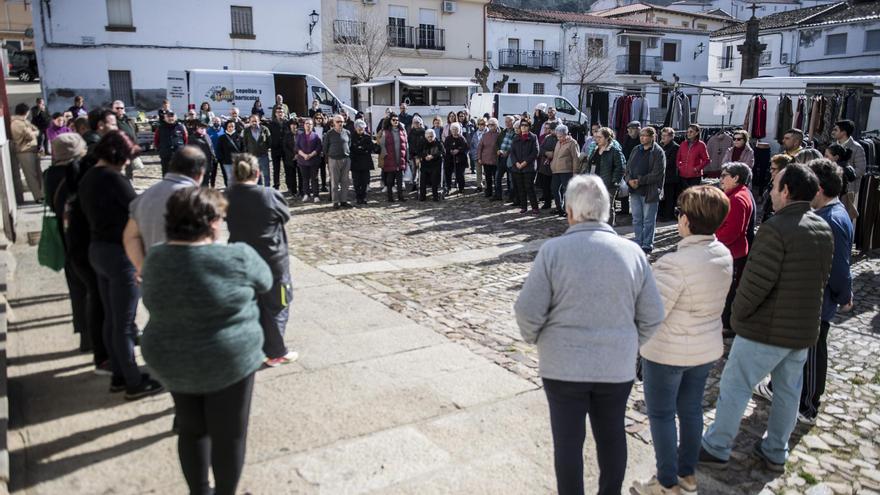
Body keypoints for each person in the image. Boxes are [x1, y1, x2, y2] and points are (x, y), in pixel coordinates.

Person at [515, 174, 664, 495]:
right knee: (612, 436)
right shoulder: (633, 253)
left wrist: (537, 339)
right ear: (606, 211)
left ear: (570, 211)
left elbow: (527, 312)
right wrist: (629, 343)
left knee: (568, 443)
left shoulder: (553, 252)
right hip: (615, 366)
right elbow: (653, 316)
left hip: (563, 366)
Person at [700, 164, 833, 472]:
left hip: (767, 329)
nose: (771, 193)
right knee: (788, 391)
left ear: (786, 191)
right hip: (801, 329)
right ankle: (776, 450)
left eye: (774, 187)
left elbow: (755, 283)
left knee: (735, 384)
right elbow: (821, 278)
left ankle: (717, 446)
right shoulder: (821, 227)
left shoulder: (777, 228)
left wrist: (736, 316)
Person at [140, 187, 270, 495]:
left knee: (191, 428)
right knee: (230, 435)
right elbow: (265, 281)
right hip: (228, 357)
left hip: (171, 357)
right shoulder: (235, 255)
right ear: (211, 222)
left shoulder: (156, 257)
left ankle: (200, 492)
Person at [632, 185, 733, 495]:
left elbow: (652, 312)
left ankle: (665, 482)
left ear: (688, 220)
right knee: (690, 411)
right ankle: (686, 475)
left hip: (668, 352)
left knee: (662, 415)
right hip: (703, 349)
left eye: (679, 214)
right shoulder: (722, 253)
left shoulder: (676, 263)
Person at [753, 159, 854, 426]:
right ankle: (777, 388)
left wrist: (845, 295)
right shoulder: (823, 215)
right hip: (801, 300)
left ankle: (808, 406)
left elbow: (839, 268)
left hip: (817, 304)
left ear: (818, 189)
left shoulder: (832, 219)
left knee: (811, 353)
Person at [78, 131, 164, 400]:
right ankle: (133, 380)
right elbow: (137, 210)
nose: (128, 162)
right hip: (119, 254)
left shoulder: (89, 176)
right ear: (117, 155)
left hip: (97, 249)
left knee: (112, 318)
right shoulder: (115, 180)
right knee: (125, 323)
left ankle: (117, 374)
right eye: (127, 157)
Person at [226, 154, 298, 367]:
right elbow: (285, 216)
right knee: (278, 304)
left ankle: (253, 346)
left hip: (241, 258)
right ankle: (276, 351)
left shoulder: (228, 195)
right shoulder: (269, 194)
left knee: (251, 303)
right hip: (272, 258)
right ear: (258, 173)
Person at [124, 146, 206, 283]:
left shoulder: (143, 197)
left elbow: (130, 237)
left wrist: (143, 269)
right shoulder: (200, 199)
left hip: (156, 278)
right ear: (200, 173)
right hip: (191, 278)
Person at [44, 134, 93, 353]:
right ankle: (95, 338)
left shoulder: (50, 175)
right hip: (84, 238)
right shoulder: (77, 174)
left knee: (76, 289)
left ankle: (84, 336)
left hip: (66, 239)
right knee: (93, 290)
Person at [716, 162, 754, 334]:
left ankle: (727, 325)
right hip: (731, 251)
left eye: (724, 175)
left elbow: (732, 232)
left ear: (736, 178)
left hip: (733, 253)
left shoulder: (738, 198)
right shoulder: (735, 194)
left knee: (728, 291)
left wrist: (711, 236)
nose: (721, 179)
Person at [626, 127, 666, 253]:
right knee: (637, 218)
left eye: (645, 135)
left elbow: (657, 174)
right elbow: (628, 168)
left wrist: (639, 181)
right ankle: (638, 240)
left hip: (650, 190)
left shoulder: (658, 152)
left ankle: (647, 243)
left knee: (648, 219)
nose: (642, 138)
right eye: (641, 135)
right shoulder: (636, 149)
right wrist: (629, 180)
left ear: (652, 137)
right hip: (635, 190)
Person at [582, 127, 625, 227]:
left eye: (600, 137)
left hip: (608, 185)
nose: (597, 139)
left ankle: (608, 229)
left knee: (607, 207)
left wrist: (614, 181)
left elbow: (620, 168)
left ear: (607, 138)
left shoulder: (614, 151)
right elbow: (591, 165)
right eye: (596, 137)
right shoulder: (595, 149)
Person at [10, 103, 43, 203]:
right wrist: (34, 132)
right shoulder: (16, 123)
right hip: (24, 151)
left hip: (32, 150)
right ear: (27, 112)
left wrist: (34, 132)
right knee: (31, 175)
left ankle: (43, 194)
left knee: (39, 174)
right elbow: (30, 135)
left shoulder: (24, 121)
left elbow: (37, 130)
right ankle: (38, 196)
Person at [832, 119, 866, 202]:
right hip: (832, 187)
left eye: (836, 130)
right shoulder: (832, 146)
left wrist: (844, 175)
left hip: (848, 190)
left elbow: (861, 169)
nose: (833, 132)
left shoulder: (857, 148)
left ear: (844, 132)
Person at [510, 120, 540, 214]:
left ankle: (535, 207)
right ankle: (524, 207)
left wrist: (525, 163)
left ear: (529, 126)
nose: (523, 127)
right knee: (520, 188)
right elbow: (512, 152)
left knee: (529, 187)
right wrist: (516, 163)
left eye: (525, 125)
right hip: (517, 167)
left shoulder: (533, 137)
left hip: (529, 167)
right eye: (521, 125)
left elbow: (535, 152)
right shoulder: (516, 138)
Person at [323, 114, 353, 208]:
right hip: (334, 159)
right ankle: (335, 201)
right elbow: (325, 147)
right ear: (333, 123)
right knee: (334, 182)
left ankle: (344, 200)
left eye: (341, 121)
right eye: (338, 121)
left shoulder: (347, 132)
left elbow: (349, 144)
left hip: (346, 159)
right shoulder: (329, 133)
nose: (340, 123)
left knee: (345, 181)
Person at [551, 124, 580, 217]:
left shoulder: (572, 143)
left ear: (566, 134)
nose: (559, 138)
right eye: (557, 136)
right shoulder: (558, 142)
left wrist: (575, 172)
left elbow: (576, 158)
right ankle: (559, 207)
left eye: (560, 136)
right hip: (556, 170)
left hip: (566, 170)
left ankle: (567, 210)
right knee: (554, 188)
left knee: (567, 190)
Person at [380, 113, 408, 202]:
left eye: (397, 120)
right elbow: (382, 145)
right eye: (394, 120)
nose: (396, 121)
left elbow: (406, 145)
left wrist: (406, 156)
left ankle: (400, 196)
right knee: (389, 180)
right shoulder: (386, 132)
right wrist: (385, 156)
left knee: (400, 180)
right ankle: (390, 197)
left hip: (400, 159)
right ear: (390, 121)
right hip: (390, 159)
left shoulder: (402, 131)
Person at [296, 118, 323, 203]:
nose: (308, 125)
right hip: (303, 161)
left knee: (314, 178)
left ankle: (316, 195)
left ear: (312, 126)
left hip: (314, 160)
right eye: (307, 124)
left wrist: (311, 155)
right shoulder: (300, 136)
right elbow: (297, 147)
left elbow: (319, 147)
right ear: (304, 125)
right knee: (305, 178)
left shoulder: (316, 136)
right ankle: (306, 194)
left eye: (310, 124)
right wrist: (304, 155)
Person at [350, 119, 376, 205]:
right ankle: (358, 196)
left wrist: (363, 149)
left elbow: (371, 148)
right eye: (359, 129)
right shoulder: (352, 137)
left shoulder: (367, 137)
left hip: (365, 162)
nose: (361, 130)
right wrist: (360, 149)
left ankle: (364, 196)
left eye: (362, 129)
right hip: (355, 162)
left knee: (365, 181)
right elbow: (351, 149)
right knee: (356, 181)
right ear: (356, 128)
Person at [154, 111, 188, 176]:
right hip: (165, 154)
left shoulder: (181, 127)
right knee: (166, 173)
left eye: (172, 116)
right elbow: (156, 140)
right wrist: (160, 149)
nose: (170, 118)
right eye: (168, 117)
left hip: (178, 154)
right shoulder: (160, 128)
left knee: (179, 173)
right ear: (165, 118)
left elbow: (185, 139)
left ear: (175, 117)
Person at [761, 154, 793, 222]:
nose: (771, 171)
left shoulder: (785, 187)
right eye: (770, 168)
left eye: (774, 169)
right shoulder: (771, 181)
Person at [657, 127, 680, 222]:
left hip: (670, 177)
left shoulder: (675, 147)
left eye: (665, 136)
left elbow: (671, 162)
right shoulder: (661, 146)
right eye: (662, 135)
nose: (663, 137)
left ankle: (668, 215)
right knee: (662, 196)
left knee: (669, 197)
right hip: (661, 176)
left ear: (671, 137)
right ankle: (661, 214)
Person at [677, 124, 710, 189]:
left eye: (691, 131)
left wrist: (696, 169)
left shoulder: (701, 145)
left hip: (695, 176)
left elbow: (706, 160)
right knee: (685, 196)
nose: (688, 133)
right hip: (683, 176)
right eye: (688, 131)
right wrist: (680, 167)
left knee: (693, 196)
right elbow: (678, 158)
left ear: (697, 133)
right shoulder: (683, 144)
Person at [243, 114, 272, 187]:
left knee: (266, 174)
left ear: (259, 121)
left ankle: (267, 190)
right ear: (249, 122)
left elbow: (269, 141)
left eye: (255, 121)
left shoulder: (264, 129)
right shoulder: (246, 131)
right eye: (252, 121)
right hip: (253, 157)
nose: (254, 123)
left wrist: (264, 148)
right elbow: (245, 143)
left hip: (263, 156)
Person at [494, 115, 516, 202]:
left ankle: (511, 197)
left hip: (510, 158)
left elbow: (515, 146)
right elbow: (496, 143)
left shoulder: (516, 132)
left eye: (509, 121)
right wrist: (498, 150)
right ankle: (498, 195)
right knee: (497, 177)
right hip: (501, 158)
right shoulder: (503, 132)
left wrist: (508, 152)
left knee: (511, 179)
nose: (507, 123)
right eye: (506, 121)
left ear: (513, 122)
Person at [266, 106, 288, 190]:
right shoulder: (271, 124)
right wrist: (271, 145)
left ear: (284, 113)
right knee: (276, 168)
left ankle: (289, 184)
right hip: (275, 149)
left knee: (287, 167)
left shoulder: (287, 122)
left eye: (281, 112)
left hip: (286, 149)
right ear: (275, 114)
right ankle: (276, 185)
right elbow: (268, 136)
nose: (280, 113)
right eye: (278, 112)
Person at [477, 118, 500, 198]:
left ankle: (497, 192)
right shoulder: (485, 135)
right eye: (489, 125)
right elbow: (480, 147)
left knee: (496, 178)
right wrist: (479, 158)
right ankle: (488, 192)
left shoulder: (499, 135)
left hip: (496, 160)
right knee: (488, 177)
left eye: (493, 125)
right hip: (486, 160)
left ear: (496, 125)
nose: (491, 126)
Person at [443, 122, 469, 194]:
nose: (454, 131)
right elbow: (445, 147)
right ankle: (448, 187)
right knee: (448, 173)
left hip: (460, 159)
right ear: (451, 130)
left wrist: (458, 150)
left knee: (460, 174)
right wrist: (450, 150)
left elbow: (466, 147)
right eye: (453, 129)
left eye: (456, 129)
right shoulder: (448, 138)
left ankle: (461, 188)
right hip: (449, 158)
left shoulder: (462, 138)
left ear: (458, 130)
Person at [419, 129, 445, 202]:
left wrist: (433, 156)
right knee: (422, 178)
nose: (430, 138)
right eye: (428, 137)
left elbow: (443, 152)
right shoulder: (423, 143)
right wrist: (424, 156)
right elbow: (419, 152)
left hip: (435, 164)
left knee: (434, 177)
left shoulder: (439, 143)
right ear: (426, 137)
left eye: (431, 136)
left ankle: (435, 195)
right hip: (425, 164)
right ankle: (422, 195)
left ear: (434, 136)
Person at [537, 121, 557, 209]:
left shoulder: (560, 139)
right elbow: (540, 148)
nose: (552, 132)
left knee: (555, 187)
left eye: (554, 130)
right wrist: (546, 153)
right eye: (551, 130)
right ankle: (547, 202)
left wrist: (553, 154)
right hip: (545, 165)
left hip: (556, 165)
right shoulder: (547, 137)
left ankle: (558, 205)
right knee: (545, 186)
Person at [217, 120, 243, 188]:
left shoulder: (239, 137)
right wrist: (222, 159)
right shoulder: (222, 138)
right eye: (229, 126)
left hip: (237, 161)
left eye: (232, 126)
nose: (231, 128)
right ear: (226, 127)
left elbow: (243, 149)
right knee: (228, 177)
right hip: (226, 162)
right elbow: (219, 150)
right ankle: (230, 191)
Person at [189, 122, 216, 187]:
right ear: (197, 128)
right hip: (199, 164)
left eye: (205, 128)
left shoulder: (207, 136)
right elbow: (190, 151)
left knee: (206, 182)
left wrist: (214, 157)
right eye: (201, 128)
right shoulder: (193, 138)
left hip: (208, 163)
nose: (203, 129)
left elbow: (211, 147)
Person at [281, 118, 301, 198]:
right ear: (290, 126)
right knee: (292, 175)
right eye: (292, 124)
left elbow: (303, 145)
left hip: (300, 158)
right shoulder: (286, 135)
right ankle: (293, 191)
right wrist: (293, 155)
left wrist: (298, 154)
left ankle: (301, 190)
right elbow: (285, 147)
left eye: (295, 124)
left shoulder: (300, 134)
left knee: (301, 175)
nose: (294, 126)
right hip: (290, 158)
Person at [407, 116, 427, 192]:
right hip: (413, 154)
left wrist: (420, 155)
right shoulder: (411, 132)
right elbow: (410, 144)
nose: (416, 124)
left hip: (422, 154)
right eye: (414, 122)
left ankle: (421, 184)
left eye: (417, 123)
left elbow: (425, 144)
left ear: (420, 123)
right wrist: (413, 155)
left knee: (421, 170)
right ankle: (414, 184)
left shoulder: (424, 132)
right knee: (414, 170)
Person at [206, 117, 226, 187]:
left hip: (222, 155)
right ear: (212, 122)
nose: (216, 122)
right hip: (213, 155)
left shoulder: (223, 130)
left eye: (218, 121)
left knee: (224, 172)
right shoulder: (208, 131)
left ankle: (227, 186)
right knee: (213, 172)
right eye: (215, 121)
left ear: (220, 122)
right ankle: (212, 186)